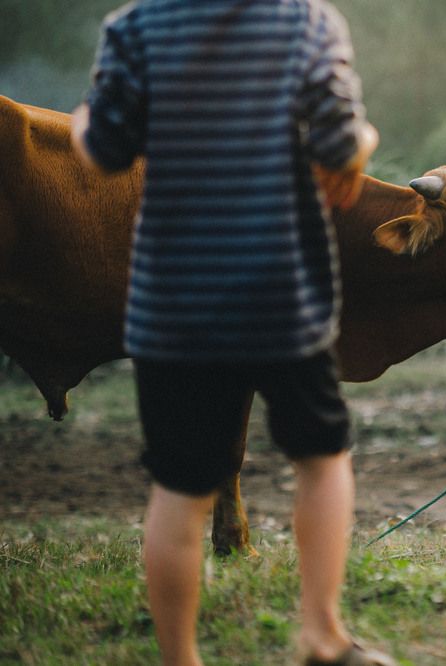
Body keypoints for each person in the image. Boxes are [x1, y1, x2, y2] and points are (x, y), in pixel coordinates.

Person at [70, 1, 391, 664]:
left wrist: (80, 122)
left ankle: (180, 658)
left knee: (180, 488)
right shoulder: (305, 22)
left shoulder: (136, 28)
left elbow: (103, 151)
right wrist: (364, 139)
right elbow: (339, 145)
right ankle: (323, 635)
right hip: (282, 300)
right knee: (321, 458)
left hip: (174, 310)